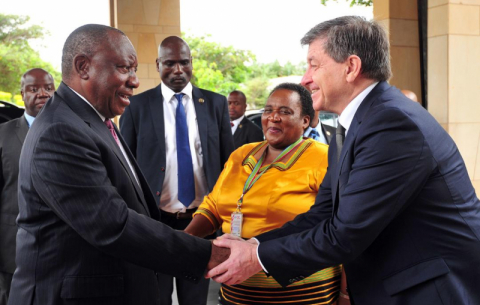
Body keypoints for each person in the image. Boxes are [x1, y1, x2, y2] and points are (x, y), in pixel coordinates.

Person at [207, 16, 480, 305]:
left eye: (314, 65)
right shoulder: (353, 123)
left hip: (428, 290)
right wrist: (255, 244)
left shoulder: (392, 123)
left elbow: (344, 234)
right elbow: (323, 213)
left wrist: (255, 258)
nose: (305, 79)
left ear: (351, 67)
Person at [8, 24, 228, 305]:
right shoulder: (60, 131)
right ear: (84, 67)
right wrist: (208, 253)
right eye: (125, 68)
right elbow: (113, 225)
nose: (135, 81)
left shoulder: (95, 121)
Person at [186, 83, 340, 305]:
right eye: (269, 110)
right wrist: (185, 240)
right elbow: (212, 205)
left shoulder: (324, 158)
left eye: (285, 112)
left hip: (300, 293)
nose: (273, 117)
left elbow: (342, 227)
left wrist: (345, 292)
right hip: (236, 292)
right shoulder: (241, 154)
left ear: (305, 121)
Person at [120, 36, 234, 305]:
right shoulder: (136, 106)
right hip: (155, 221)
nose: (178, 70)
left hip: (201, 219)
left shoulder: (216, 104)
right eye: (170, 63)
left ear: (192, 63)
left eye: (184, 62)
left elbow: (229, 163)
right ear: (158, 64)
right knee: (155, 295)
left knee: (194, 297)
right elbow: (125, 165)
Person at [0, 68, 54, 305]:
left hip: (59, 250)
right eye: (34, 89)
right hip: (12, 251)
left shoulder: (73, 131)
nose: (42, 94)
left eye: (48, 88)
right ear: (22, 94)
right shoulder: (3, 134)